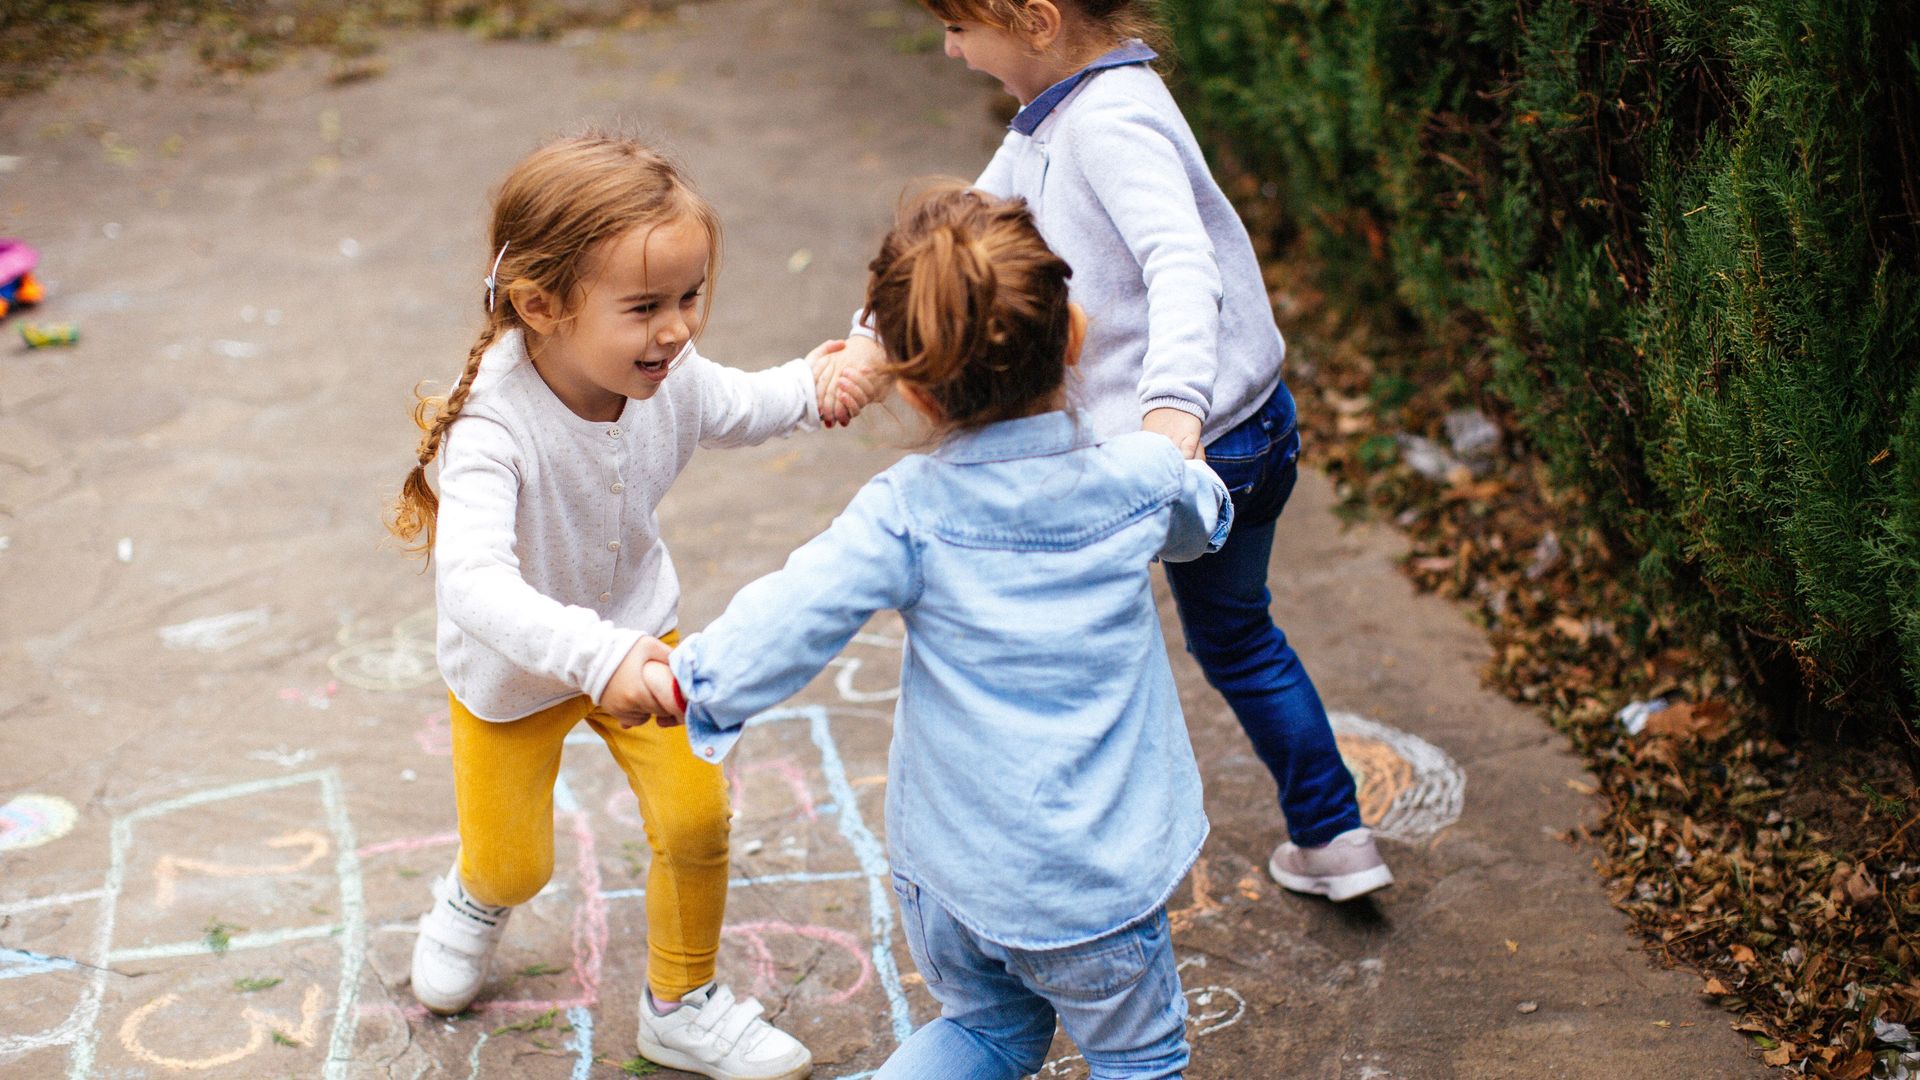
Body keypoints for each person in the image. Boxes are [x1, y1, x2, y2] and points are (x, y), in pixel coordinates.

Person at [642, 184, 1231, 1079]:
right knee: (1139, 1061)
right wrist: (1181, 472)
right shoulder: (1139, 481)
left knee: (989, 1033)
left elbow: (798, 608)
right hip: (1096, 886)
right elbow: (1202, 521)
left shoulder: (908, 511)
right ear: (1073, 336)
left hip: (954, 875)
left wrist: (697, 680)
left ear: (912, 390)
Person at [825, 0, 1392, 901]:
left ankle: (1077, 861)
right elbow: (962, 229)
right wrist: (868, 337)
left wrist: (1173, 410)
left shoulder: (1111, 121)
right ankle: (1335, 839)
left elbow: (1182, 262)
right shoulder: (1062, 109)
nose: (948, 47)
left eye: (961, 28)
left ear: (1036, 20)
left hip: (1194, 447)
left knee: (1080, 643)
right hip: (1246, 425)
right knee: (1240, 638)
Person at [387, 131, 871, 1080]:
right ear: (541, 306)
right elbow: (475, 583)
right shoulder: (492, 425)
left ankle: (682, 1005)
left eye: (690, 297)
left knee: (697, 820)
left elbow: (743, 401)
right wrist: (596, 659)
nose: (679, 329)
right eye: (646, 307)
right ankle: (474, 897)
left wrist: (820, 385)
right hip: (517, 675)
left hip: (645, 641)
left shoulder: (667, 374)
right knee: (514, 865)